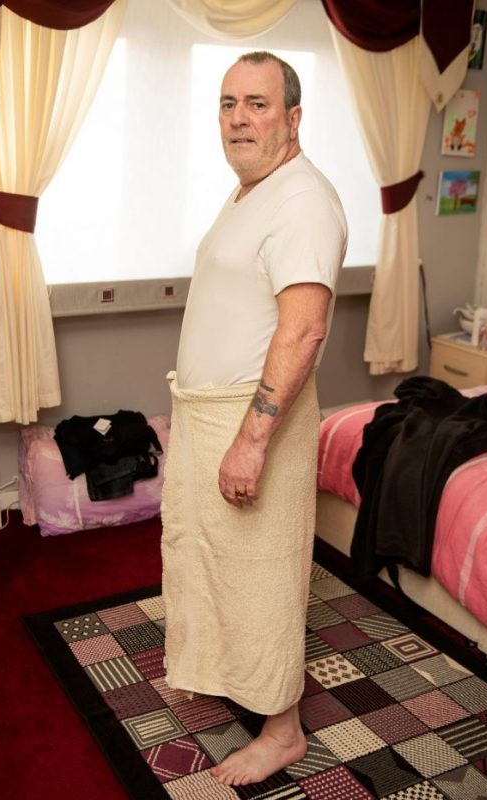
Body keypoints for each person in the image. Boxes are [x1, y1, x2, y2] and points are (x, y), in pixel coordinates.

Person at [161, 51, 347, 787]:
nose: (239, 118)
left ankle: (282, 731)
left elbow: (302, 331)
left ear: (293, 118)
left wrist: (251, 439)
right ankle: (230, 674)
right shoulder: (251, 190)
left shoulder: (303, 201)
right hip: (213, 418)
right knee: (217, 564)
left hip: (253, 425)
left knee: (263, 578)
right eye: (228, 103)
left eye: (258, 104)